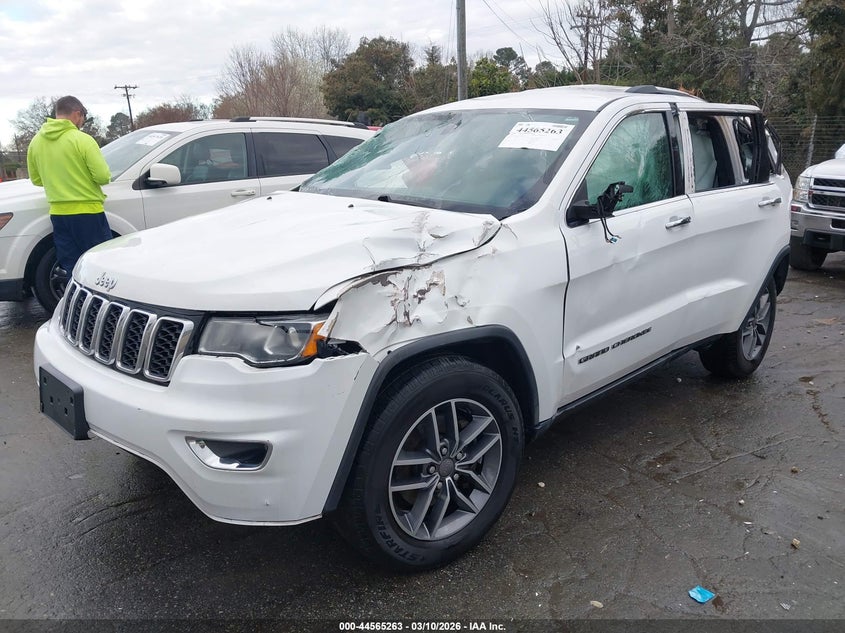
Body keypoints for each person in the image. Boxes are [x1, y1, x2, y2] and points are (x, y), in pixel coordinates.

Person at [27, 95, 112, 285]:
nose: (82, 122)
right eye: (84, 117)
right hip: (88, 212)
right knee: (101, 265)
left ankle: (76, 305)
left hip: (58, 214)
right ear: (77, 113)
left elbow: (36, 179)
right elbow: (102, 176)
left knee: (71, 266)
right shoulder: (82, 140)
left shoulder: (36, 143)